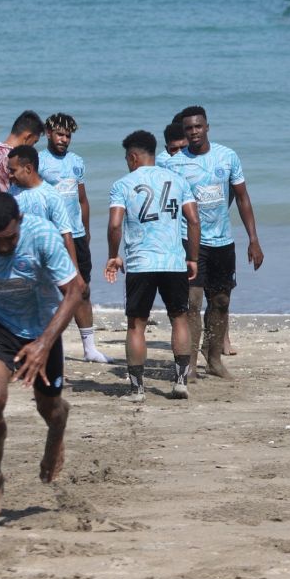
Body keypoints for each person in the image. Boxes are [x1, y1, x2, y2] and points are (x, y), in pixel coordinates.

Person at [0, 192, 83, 517]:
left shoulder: (41, 234)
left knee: (51, 409)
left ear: (19, 221)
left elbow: (75, 290)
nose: (3, 247)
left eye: (10, 239)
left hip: (43, 327)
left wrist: (44, 344)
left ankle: (56, 436)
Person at [160, 106, 263, 379]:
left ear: (207, 127)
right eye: (188, 128)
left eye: (198, 126)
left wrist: (253, 240)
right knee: (192, 302)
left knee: (221, 300)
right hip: (188, 241)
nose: (193, 132)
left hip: (223, 242)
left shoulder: (227, 157)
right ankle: (190, 364)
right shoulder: (170, 162)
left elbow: (242, 198)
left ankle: (214, 359)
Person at [106, 131, 201, 402]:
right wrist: (192, 257)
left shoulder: (122, 185)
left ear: (133, 157)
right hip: (173, 261)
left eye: (127, 158)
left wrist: (113, 254)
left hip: (140, 263)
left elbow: (114, 225)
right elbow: (194, 220)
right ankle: (181, 382)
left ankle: (137, 390)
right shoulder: (178, 180)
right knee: (179, 318)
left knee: (136, 325)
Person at [39, 113, 110, 364]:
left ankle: (89, 348)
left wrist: (87, 230)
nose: (64, 139)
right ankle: (41, 343)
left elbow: (82, 199)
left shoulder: (77, 161)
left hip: (77, 235)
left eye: (68, 135)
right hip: (50, 236)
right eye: (60, 134)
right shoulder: (39, 161)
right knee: (45, 290)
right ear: (48, 133)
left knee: (82, 289)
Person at [7, 146, 79, 269]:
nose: (9, 175)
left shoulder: (50, 195)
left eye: (13, 171)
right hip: (18, 266)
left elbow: (65, 234)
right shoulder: (12, 192)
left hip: (45, 266)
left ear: (28, 168)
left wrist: (75, 271)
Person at [0, 110, 44, 216]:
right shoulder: (15, 160)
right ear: (28, 137)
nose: (33, 146)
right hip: (5, 225)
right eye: (34, 141)